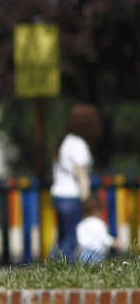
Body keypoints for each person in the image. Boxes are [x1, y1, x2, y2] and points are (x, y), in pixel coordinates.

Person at [51, 103, 102, 261]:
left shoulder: (65, 141)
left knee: (63, 237)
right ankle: (68, 272)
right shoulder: (79, 145)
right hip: (71, 196)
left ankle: (54, 267)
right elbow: (81, 175)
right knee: (72, 239)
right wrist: (87, 200)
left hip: (58, 194)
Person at [76, 195, 124, 263]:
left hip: (83, 252)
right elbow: (104, 238)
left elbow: (80, 240)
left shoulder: (81, 224)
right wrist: (115, 243)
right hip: (96, 253)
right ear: (97, 211)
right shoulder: (99, 223)